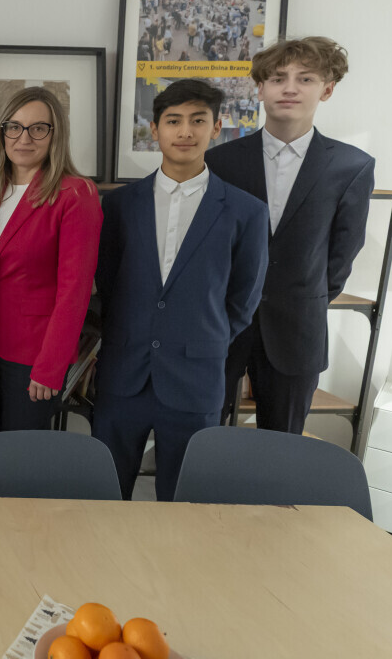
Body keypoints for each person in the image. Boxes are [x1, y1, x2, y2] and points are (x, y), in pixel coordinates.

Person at [94, 79, 268, 501]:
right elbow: (107, 283)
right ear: (155, 129)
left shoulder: (246, 211)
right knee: (102, 495)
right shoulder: (118, 205)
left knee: (184, 504)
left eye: (197, 120)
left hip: (196, 378)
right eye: (173, 121)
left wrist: (203, 338)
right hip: (124, 374)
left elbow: (243, 299)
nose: (185, 131)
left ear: (217, 127)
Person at [206, 37, 374, 435]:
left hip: (297, 328)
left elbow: (341, 256)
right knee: (202, 433)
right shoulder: (219, 161)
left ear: (327, 90)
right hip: (219, 323)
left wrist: (300, 296)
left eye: (306, 79)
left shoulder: (351, 166)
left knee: (281, 445)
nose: (290, 88)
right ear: (260, 88)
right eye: (278, 78)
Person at [0, 87, 102, 434]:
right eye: (14, 127)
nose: (24, 138)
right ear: (2, 132)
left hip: (33, 354)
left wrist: (51, 365)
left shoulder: (76, 194)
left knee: (20, 453)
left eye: (38, 128)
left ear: (56, 135)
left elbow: (75, 291)